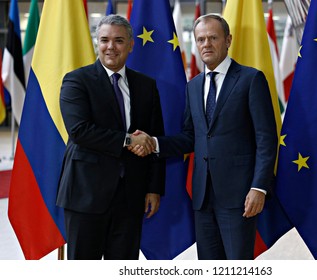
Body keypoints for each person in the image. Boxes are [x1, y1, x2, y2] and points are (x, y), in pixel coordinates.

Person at [132, 14, 278, 260]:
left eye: (213, 38)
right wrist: (154, 142)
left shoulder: (251, 79)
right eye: (200, 39)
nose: (206, 44)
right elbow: (191, 137)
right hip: (202, 196)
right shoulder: (194, 86)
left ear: (228, 40)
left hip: (240, 196)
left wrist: (259, 187)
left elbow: (266, 138)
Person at [56, 14, 165, 260]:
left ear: (130, 44)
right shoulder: (76, 80)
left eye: (118, 40)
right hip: (86, 195)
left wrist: (154, 188)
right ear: (97, 42)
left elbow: (155, 138)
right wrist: (128, 141)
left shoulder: (146, 85)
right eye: (104, 40)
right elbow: (80, 131)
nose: (110, 47)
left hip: (131, 196)